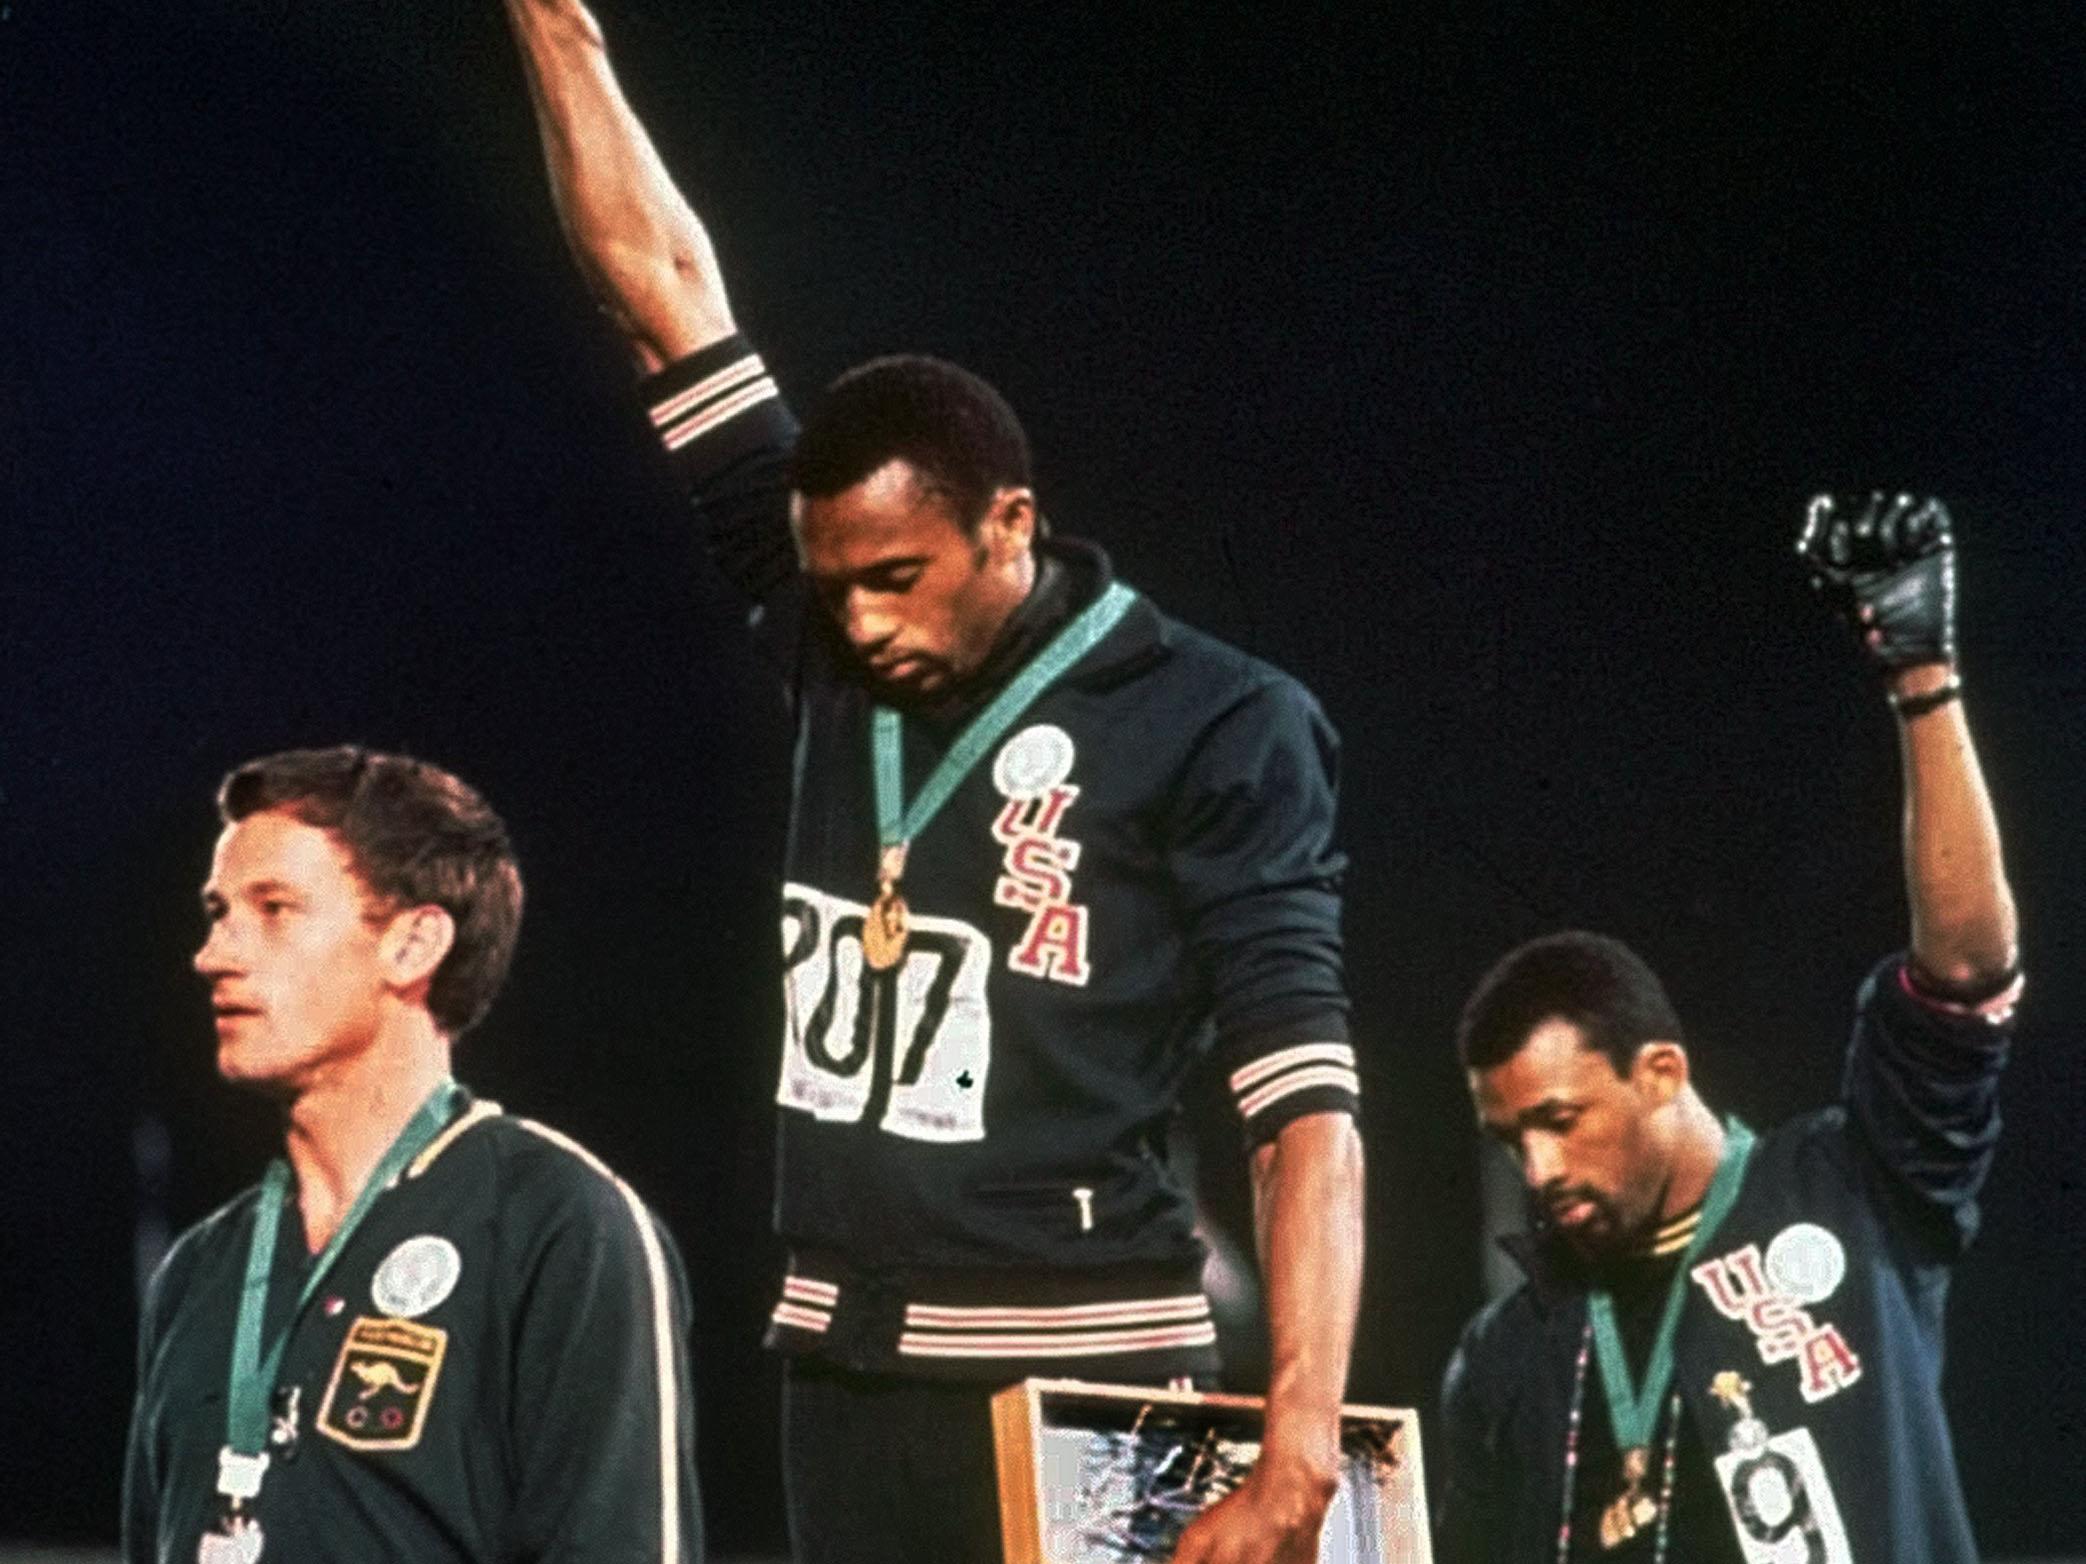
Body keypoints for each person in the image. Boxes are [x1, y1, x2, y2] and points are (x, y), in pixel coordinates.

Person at [499, 4, 1367, 1560]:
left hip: (1088, 1368)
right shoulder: (830, 618)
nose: (859, 622)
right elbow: (664, 292)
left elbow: (1301, 1107)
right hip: (841, 1362)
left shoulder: (1221, 719)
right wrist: (551, 23)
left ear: (1011, 526)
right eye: (833, 587)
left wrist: (1296, 1438)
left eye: (898, 576)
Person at [1435, 494, 2021, 1562]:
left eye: (1561, 1119)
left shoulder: (1853, 1187)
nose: (1539, 1164)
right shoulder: (1503, 1358)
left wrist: (1921, 684)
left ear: (1660, 1070)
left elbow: (1967, 970)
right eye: (1512, 1136)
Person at [122, 746, 703, 1563]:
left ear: (414, 944)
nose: (213, 953)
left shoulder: (561, 1226)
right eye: (218, 912)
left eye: (274, 908)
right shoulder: (198, 1271)